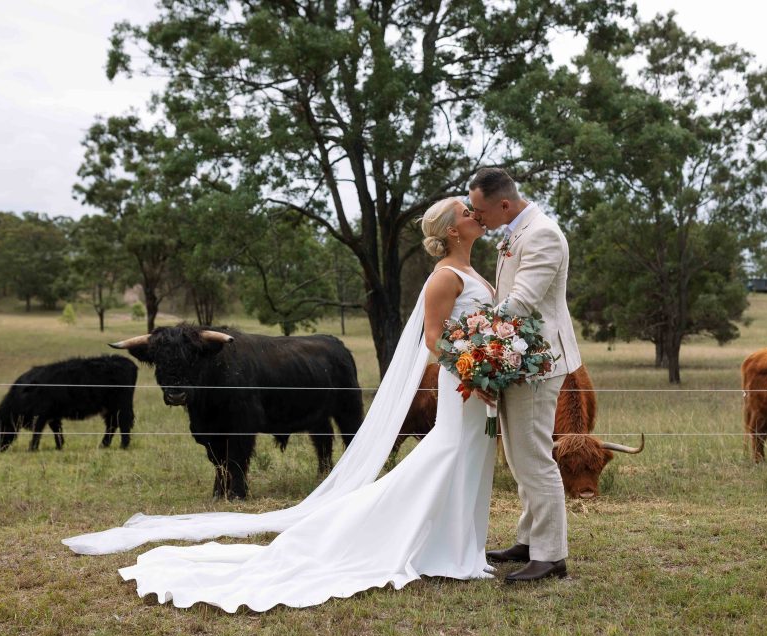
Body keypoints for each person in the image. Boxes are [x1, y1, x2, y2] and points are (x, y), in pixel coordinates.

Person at [63, 197, 505, 612]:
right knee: (447, 454)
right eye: (467, 210)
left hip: (476, 381)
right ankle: (429, 542)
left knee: (465, 457)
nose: (475, 213)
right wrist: (474, 372)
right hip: (463, 382)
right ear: (451, 230)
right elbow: (433, 337)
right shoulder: (445, 275)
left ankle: (459, 544)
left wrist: (501, 357)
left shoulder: (475, 272)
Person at [468, 167, 581, 583]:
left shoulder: (543, 234)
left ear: (503, 204)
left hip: (540, 360)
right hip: (517, 357)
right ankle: (530, 540)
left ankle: (551, 557)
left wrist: (470, 332)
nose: (476, 218)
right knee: (518, 455)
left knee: (533, 456)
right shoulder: (516, 231)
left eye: (480, 211)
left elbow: (521, 303)